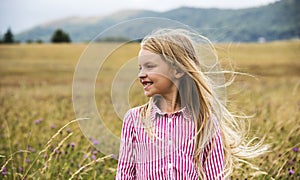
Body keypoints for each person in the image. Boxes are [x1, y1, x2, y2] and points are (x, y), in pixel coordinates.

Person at [116, 28, 267, 180]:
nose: (141, 74)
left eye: (149, 66)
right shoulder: (135, 119)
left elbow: (215, 176)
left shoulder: (204, 121)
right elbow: (125, 174)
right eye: (140, 68)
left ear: (177, 70)